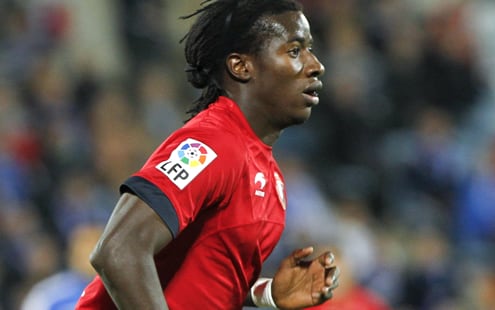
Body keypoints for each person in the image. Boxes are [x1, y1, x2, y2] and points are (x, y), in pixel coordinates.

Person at [75, 0, 340, 309]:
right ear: (241, 66)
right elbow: (118, 251)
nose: (316, 65)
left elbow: (197, 281)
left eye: (309, 49)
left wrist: (265, 294)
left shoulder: (269, 176)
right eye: (295, 51)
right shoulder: (213, 143)